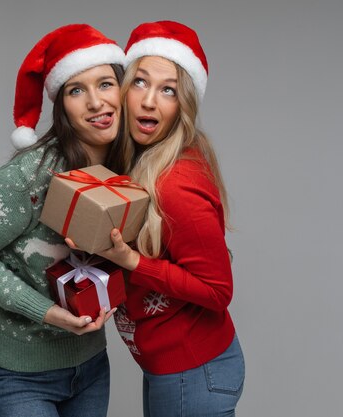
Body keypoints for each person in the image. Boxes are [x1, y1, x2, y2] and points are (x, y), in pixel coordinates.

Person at [0, 24, 128, 417]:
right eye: (76, 90)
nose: (96, 102)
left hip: (91, 366)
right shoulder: (32, 174)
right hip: (18, 372)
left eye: (106, 84)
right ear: (61, 105)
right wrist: (44, 311)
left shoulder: (129, 169)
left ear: (123, 90)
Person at [77, 21, 245, 416]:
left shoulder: (174, 183)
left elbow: (219, 291)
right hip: (176, 370)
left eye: (168, 89)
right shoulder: (143, 161)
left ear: (182, 104)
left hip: (194, 372)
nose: (149, 101)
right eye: (140, 83)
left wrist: (131, 261)